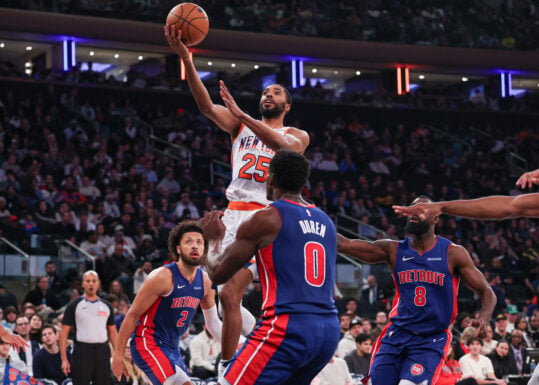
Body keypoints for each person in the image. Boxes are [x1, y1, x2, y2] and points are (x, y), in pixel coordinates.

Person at [164, 24, 310, 375]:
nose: (268, 95)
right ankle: (240, 352)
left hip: (267, 218)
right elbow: (205, 106)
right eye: (265, 92)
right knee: (208, 291)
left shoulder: (296, 134)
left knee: (232, 295)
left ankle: (227, 369)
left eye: (275, 93)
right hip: (232, 215)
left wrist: (244, 115)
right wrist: (187, 59)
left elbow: (283, 148)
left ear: (287, 105)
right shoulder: (239, 126)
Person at [203, 150, 339, 384]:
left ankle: (226, 363)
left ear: (271, 178)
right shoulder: (324, 220)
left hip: (288, 327)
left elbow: (216, 273)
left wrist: (213, 239)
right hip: (328, 331)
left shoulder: (267, 218)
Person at [338, 196, 496, 385]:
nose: (414, 212)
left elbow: (487, 292)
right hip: (397, 333)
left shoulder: (453, 253)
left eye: (421, 210)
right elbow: (345, 245)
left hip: (431, 339)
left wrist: (485, 316)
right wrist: (315, 218)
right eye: (412, 209)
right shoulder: (394, 250)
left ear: (435, 218)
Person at [111, 221, 222, 385]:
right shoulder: (162, 277)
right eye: (188, 241)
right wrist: (118, 355)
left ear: (204, 249)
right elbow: (133, 314)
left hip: (172, 347)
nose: (194, 246)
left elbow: (213, 322)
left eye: (199, 242)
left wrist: (237, 345)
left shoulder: (205, 281)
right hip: (148, 342)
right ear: (178, 249)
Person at [60, 270, 118, 385]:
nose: (91, 284)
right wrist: (64, 359)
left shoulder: (106, 306)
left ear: (98, 283)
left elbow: (113, 333)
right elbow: (63, 333)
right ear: (83, 284)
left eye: (93, 281)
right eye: (88, 281)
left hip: (102, 350)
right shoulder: (74, 305)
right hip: (82, 350)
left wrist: (117, 355)